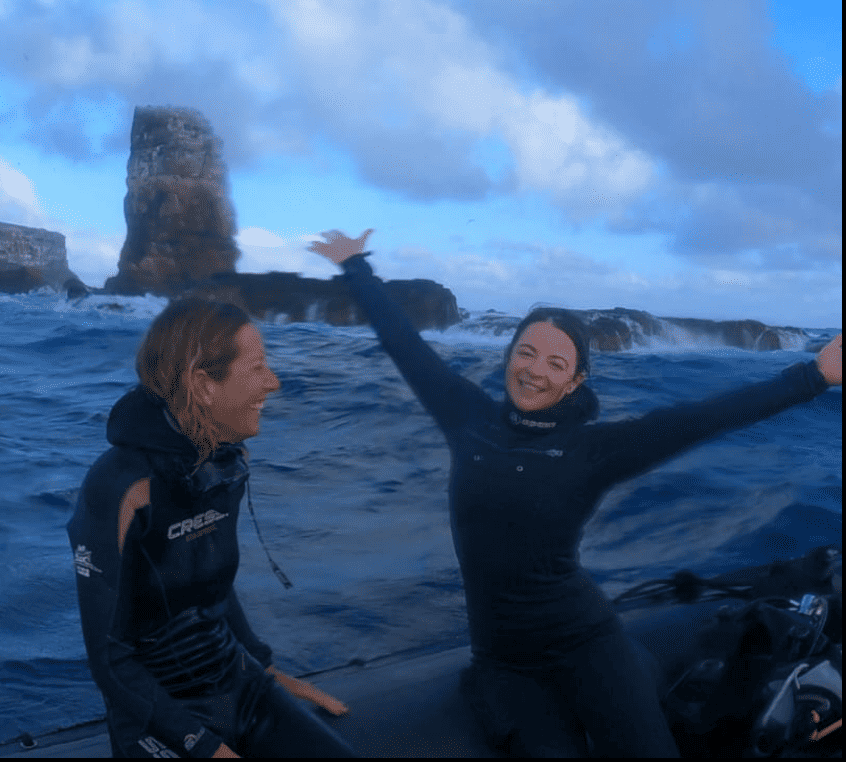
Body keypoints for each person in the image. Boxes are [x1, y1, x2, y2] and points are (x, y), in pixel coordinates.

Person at [309, 229, 842, 758]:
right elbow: (405, 344)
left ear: (576, 381)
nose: (535, 371)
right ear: (509, 355)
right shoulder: (467, 418)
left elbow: (705, 418)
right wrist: (356, 265)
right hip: (505, 661)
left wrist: (815, 375)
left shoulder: (594, 450)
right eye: (526, 352)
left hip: (587, 639)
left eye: (555, 364)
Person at [67, 297, 357, 759]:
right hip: (158, 715)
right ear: (204, 385)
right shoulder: (123, 488)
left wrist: (264, 670)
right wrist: (203, 746)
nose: (275, 382)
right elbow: (110, 659)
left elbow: (210, 586)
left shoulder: (227, 462)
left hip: (238, 685)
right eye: (259, 367)